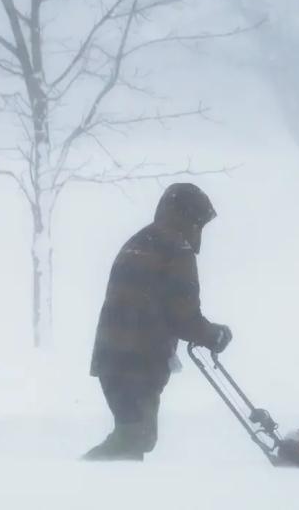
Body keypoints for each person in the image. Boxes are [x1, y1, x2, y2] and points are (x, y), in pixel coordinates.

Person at [83, 183, 232, 461]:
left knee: (132, 436)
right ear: (192, 218)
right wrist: (214, 336)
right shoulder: (177, 248)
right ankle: (81, 480)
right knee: (134, 438)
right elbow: (183, 315)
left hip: (111, 357)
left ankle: (107, 490)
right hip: (139, 361)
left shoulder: (140, 240)